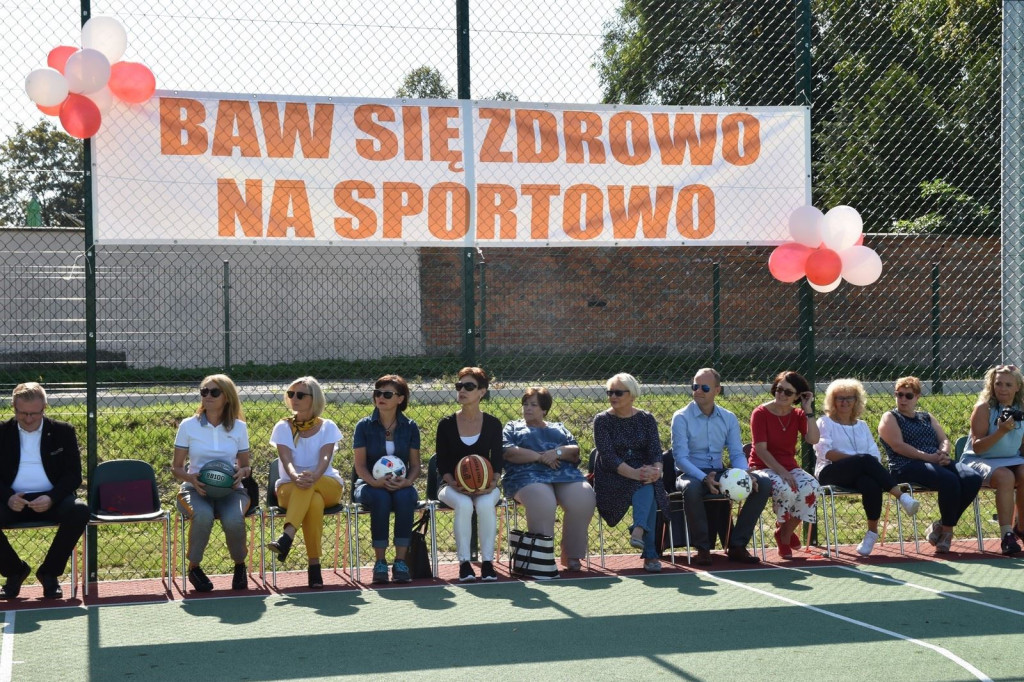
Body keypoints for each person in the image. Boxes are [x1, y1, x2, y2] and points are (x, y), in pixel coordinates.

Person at [0, 383, 89, 600]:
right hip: (11, 501)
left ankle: (49, 573)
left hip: (52, 499)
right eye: (23, 413)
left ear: (44, 408)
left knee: (80, 511)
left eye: (34, 414)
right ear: (13, 407)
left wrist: (51, 497)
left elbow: (73, 475)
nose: (29, 419)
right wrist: (7, 497)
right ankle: (14, 571)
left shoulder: (63, 431)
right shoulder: (1, 432)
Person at [671, 368, 768, 566]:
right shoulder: (680, 417)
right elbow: (680, 458)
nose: (698, 390)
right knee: (692, 488)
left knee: (763, 483)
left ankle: (737, 545)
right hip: (689, 473)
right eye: (695, 386)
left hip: (719, 472)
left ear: (717, 390)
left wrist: (745, 474)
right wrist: (703, 477)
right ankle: (703, 549)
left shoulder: (728, 417)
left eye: (704, 387)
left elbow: (736, 453)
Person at [814, 378, 920, 556]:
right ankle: (901, 497)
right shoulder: (825, 422)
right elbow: (827, 453)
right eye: (840, 398)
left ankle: (872, 533)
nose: (845, 402)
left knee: (870, 483)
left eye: (850, 398)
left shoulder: (862, 426)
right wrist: (859, 460)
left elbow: (875, 456)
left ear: (857, 400)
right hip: (831, 471)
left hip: (860, 473)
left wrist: (862, 462)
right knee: (864, 460)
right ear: (833, 400)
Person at [879, 376, 983, 554]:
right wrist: (928, 457)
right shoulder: (890, 417)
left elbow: (943, 439)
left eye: (908, 396)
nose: (902, 399)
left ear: (917, 397)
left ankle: (939, 525)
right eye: (899, 394)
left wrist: (943, 453)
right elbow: (898, 446)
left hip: (935, 460)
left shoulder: (926, 417)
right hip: (906, 465)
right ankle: (947, 532)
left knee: (973, 478)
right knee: (950, 480)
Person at [172, 374, 252, 592]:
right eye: (204, 391)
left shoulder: (239, 427)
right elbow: (176, 467)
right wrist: (191, 478)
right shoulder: (189, 425)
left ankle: (239, 566)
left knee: (234, 519)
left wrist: (240, 474)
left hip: (231, 491)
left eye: (214, 392)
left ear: (227, 397)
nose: (207, 396)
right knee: (204, 515)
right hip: (195, 489)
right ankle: (194, 568)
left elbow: (246, 467)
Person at [502, 387, 596, 572]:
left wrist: (556, 452)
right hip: (526, 477)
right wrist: (540, 457)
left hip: (564, 476)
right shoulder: (512, 427)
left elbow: (574, 452)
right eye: (525, 404)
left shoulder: (558, 428)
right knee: (544, 500)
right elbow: (509, 452)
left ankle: (572, 555)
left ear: (544, 410)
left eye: (533, 405)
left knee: (584, 498)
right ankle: (542, 557)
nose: (527, 408)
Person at [267, 377, 345, 588]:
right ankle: (314, 566)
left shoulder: (328, 426)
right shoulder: (283, 426)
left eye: (300, 395)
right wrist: (295, 477)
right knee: (314, 501)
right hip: (288, 487)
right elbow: (285, 460)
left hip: (327, 483)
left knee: (312, 489)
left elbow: (325, 458)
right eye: (291, 394)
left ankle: (287, 536)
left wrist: (314, 475)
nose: (294, 399)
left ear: (314, 399)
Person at [593, 373, 668, 573]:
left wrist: (657, 471)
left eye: (618, 392)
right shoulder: (602, 420)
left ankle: (640, 532)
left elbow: (655, 451)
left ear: (632, 395)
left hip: (643, 472)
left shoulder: (646, 419)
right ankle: (648, 549)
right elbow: (608, 457)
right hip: (612, 475)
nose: (613, 396)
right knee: (646, 484)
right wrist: (637, 474)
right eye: (610, 392)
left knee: (649, 483)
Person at [352, 374, 422, 584]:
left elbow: (416, 465)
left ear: (400, 399)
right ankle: (380, 562)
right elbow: (360, 466)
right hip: (368, 485)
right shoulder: (363, 426)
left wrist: (407, 481)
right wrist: (374, 482)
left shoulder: (410, 427)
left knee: (405, 497)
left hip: (401, 485)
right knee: (381, 498)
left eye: (387, 394)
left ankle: (400, 561)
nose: (380, 397)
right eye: (377, 393)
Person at [435, 367, 503, 582]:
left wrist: (492, 483)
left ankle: (487, 563)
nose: (462, 390)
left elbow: (498, 461)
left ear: (482, 392)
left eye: (469, 386)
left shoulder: (492, 423)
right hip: (451, 486)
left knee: (484, 504)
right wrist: (454, 483)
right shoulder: (446, 424)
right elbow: (442, 464)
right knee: (464, 504)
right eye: (459, 386)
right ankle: (464, 564)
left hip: (486, 486)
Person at [749, 370, 821, 559]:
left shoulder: (797, 414)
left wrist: (808, 410)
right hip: (762, 466)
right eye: (779, 389)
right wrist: (782, 472)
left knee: (812, 487)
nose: (781, 394)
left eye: (788, 392)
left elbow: (813, 439)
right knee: (785, 487)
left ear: (797, 396)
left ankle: (784, 533)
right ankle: (784, 531)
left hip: (789, 466)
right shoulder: (760, 413)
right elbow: (761, 450)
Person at [961, 365, 1024, 555]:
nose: (1002, 389)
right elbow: (978, 446)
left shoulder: (1021, 409)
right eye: (998, 384)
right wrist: (1002, 431)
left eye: (1007, 384)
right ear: (992, 385)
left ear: (1017, 388)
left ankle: (1020, 527)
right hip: (978, 460)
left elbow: (1021, 446)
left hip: (1010, 459)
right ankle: (1007, 536)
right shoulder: (983, 409)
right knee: (1005, 477)